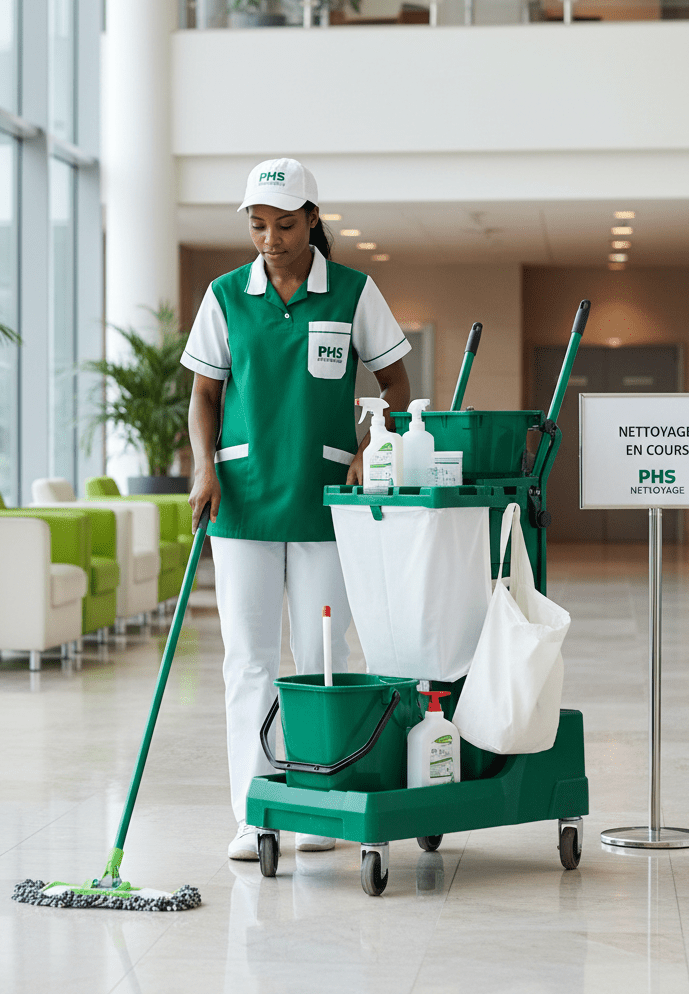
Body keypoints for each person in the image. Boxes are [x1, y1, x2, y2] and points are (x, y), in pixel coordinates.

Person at [181, 158, 412, 860]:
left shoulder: (352, 291)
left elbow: (396, 382)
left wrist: (369, 446)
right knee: (247, 661)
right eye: (257, 226)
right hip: (242, 501)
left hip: (324, 502)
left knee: (322, 660)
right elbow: (203, 396)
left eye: (283, 224)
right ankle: (257, 815)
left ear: (313, 217)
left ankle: (318, 803)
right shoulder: (226, 295)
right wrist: (200, 466)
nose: (270, 239)